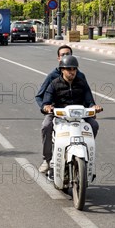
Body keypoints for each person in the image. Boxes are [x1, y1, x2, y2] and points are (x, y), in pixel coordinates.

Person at [36, 45, 95, 173]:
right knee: (46, 126)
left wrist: (93, 107)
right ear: (61, 67)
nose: (71, 71)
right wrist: (46, 107)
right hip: (58, 112)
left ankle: (86, 152)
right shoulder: (53, 79)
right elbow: (42, 97)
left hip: (78, 113)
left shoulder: (81, 79)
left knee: (94, 125)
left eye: (73, 69)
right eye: (68, 69)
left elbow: (89, 98)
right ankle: (47, 160)